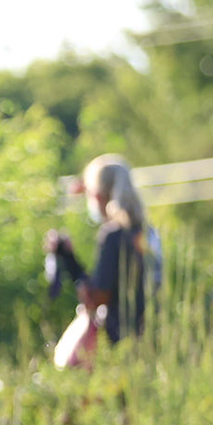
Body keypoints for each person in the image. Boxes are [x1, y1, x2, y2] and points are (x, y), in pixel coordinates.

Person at [44, 153, 155, 369]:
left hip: (120, 340)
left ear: (99, 195)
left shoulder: (113, 235)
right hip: (152, 334)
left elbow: (97, 298)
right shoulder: (145, 232)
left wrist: (69, 261)